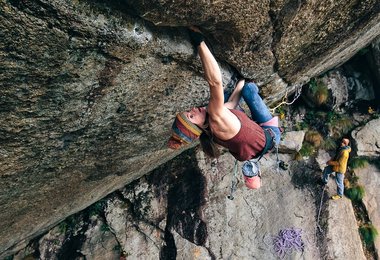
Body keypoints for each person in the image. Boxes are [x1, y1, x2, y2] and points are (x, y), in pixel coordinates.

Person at [167, 27, 281, 189]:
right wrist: (200, 42)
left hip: (255, 146)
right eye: (191, 116)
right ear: (197, 127)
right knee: (248, 89)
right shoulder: (215, 116)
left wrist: (240, 81)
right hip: (271, 135)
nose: (191, 109)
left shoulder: (211, 130)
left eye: (188, 112)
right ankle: (253, 175)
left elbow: (232, 104)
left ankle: (252, 174)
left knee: (234, 92)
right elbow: (215, 82)